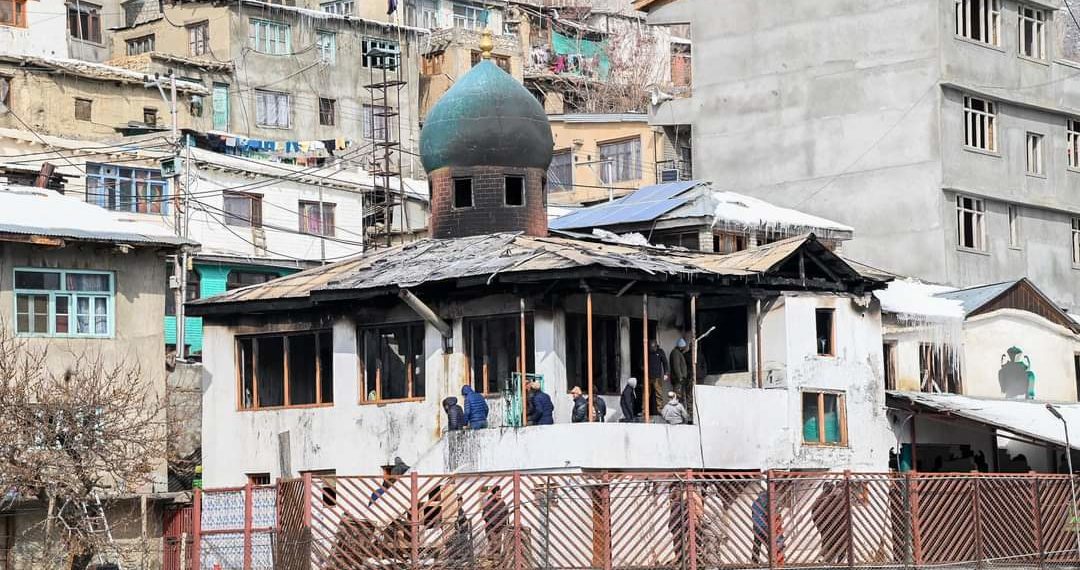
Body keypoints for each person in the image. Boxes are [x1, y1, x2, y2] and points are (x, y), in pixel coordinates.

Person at [482, 485, 509, 556]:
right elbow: (485, 516)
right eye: (498, 495)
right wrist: (494, 523)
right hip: (491, 528)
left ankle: (496, 561)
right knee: (493, 543)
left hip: (500, 527)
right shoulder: (488, 503)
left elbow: (506, 513)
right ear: (493, 494)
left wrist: (505, 523)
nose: (500, 496)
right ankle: (490, 559)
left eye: (500, 495)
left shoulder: (502, 502)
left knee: (499, 545)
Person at [648, 339, 672, 416]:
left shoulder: (660, 351)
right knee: (646, 394)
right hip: (647, 376)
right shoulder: (646, 351)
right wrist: (643, 369)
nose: (652, 349)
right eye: (651, 348)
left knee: (659, 394)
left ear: (656, 346)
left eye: (653, 347)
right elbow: (640, 362)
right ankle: (644, 411)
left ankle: (660, 410)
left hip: (657, 377)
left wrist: (666, 373)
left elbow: (665, 363)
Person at [670, 338, 690, 412]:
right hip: (678, 379)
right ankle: (677, 412)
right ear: (681, 346)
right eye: (683, 347)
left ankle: (679, 412)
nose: (684, 348)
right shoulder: (676, 353)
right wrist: (680, 377)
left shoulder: (677, 352)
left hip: (679, 379)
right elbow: (676, 366)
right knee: (677, 395)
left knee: (679, 395)